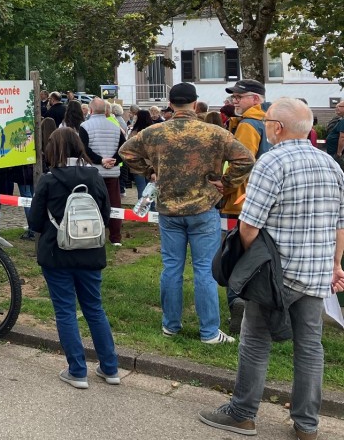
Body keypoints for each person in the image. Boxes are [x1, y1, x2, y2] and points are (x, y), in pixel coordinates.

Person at [198, 97, 344, 440]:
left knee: (254, 340)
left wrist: (251, 263)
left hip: (276, 271)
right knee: (310, 346)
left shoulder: (271, 162)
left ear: (277, 127)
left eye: (266, 122)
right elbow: (340, 223)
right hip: (316, 271)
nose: (265, 126)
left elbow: (248, 226)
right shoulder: (332, 165)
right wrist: (336, 264)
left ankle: (242, 413)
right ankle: (307, 424)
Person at [119, 83, 254, 345]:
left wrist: (150, 171)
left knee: (172, 268)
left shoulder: (155, 132)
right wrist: (226, 183)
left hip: (169, 209)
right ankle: (209, 332)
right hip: (203, 209)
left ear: (170, 103)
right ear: (195, 103)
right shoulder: (214, 133)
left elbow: (126, 152)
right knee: (204, 270)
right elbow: (246, 159)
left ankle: (171, 325)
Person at [29, 128, 120, 389]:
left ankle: (77, 370)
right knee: (94, 308)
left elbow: (35, 221)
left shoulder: (48, 180)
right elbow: (105, 215)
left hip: (57, 254)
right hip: (90, 252)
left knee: (65, 311)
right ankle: (110, 367)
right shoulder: (95, 176)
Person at [221, 79, 267, 333]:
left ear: (256, 99)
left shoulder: (249, 125)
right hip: (260, 198)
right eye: (233, 98)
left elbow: (242, 163)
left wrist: (224, 187)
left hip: (242, 200)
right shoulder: (268, 122)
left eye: (240, 97)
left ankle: (238, 303)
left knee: (235, 256)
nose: (234, 101)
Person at [79, 98, 126, 246]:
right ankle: (115, 237)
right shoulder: (116, 127)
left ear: (91, 110)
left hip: (92, 173)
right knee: (115, 204)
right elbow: (124, 149)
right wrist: (113, 160)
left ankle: (92, 235)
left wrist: (100, 160)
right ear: (106, 111)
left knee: (92, 204)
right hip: (112, 172)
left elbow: (84, 149)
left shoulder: (84, 126)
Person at [327, 99, 344, 168]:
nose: (336, 108)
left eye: (339, 106)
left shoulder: (343, 121)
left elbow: (342, 138)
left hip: (336, 154)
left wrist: (339, 153)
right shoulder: (340, 120)